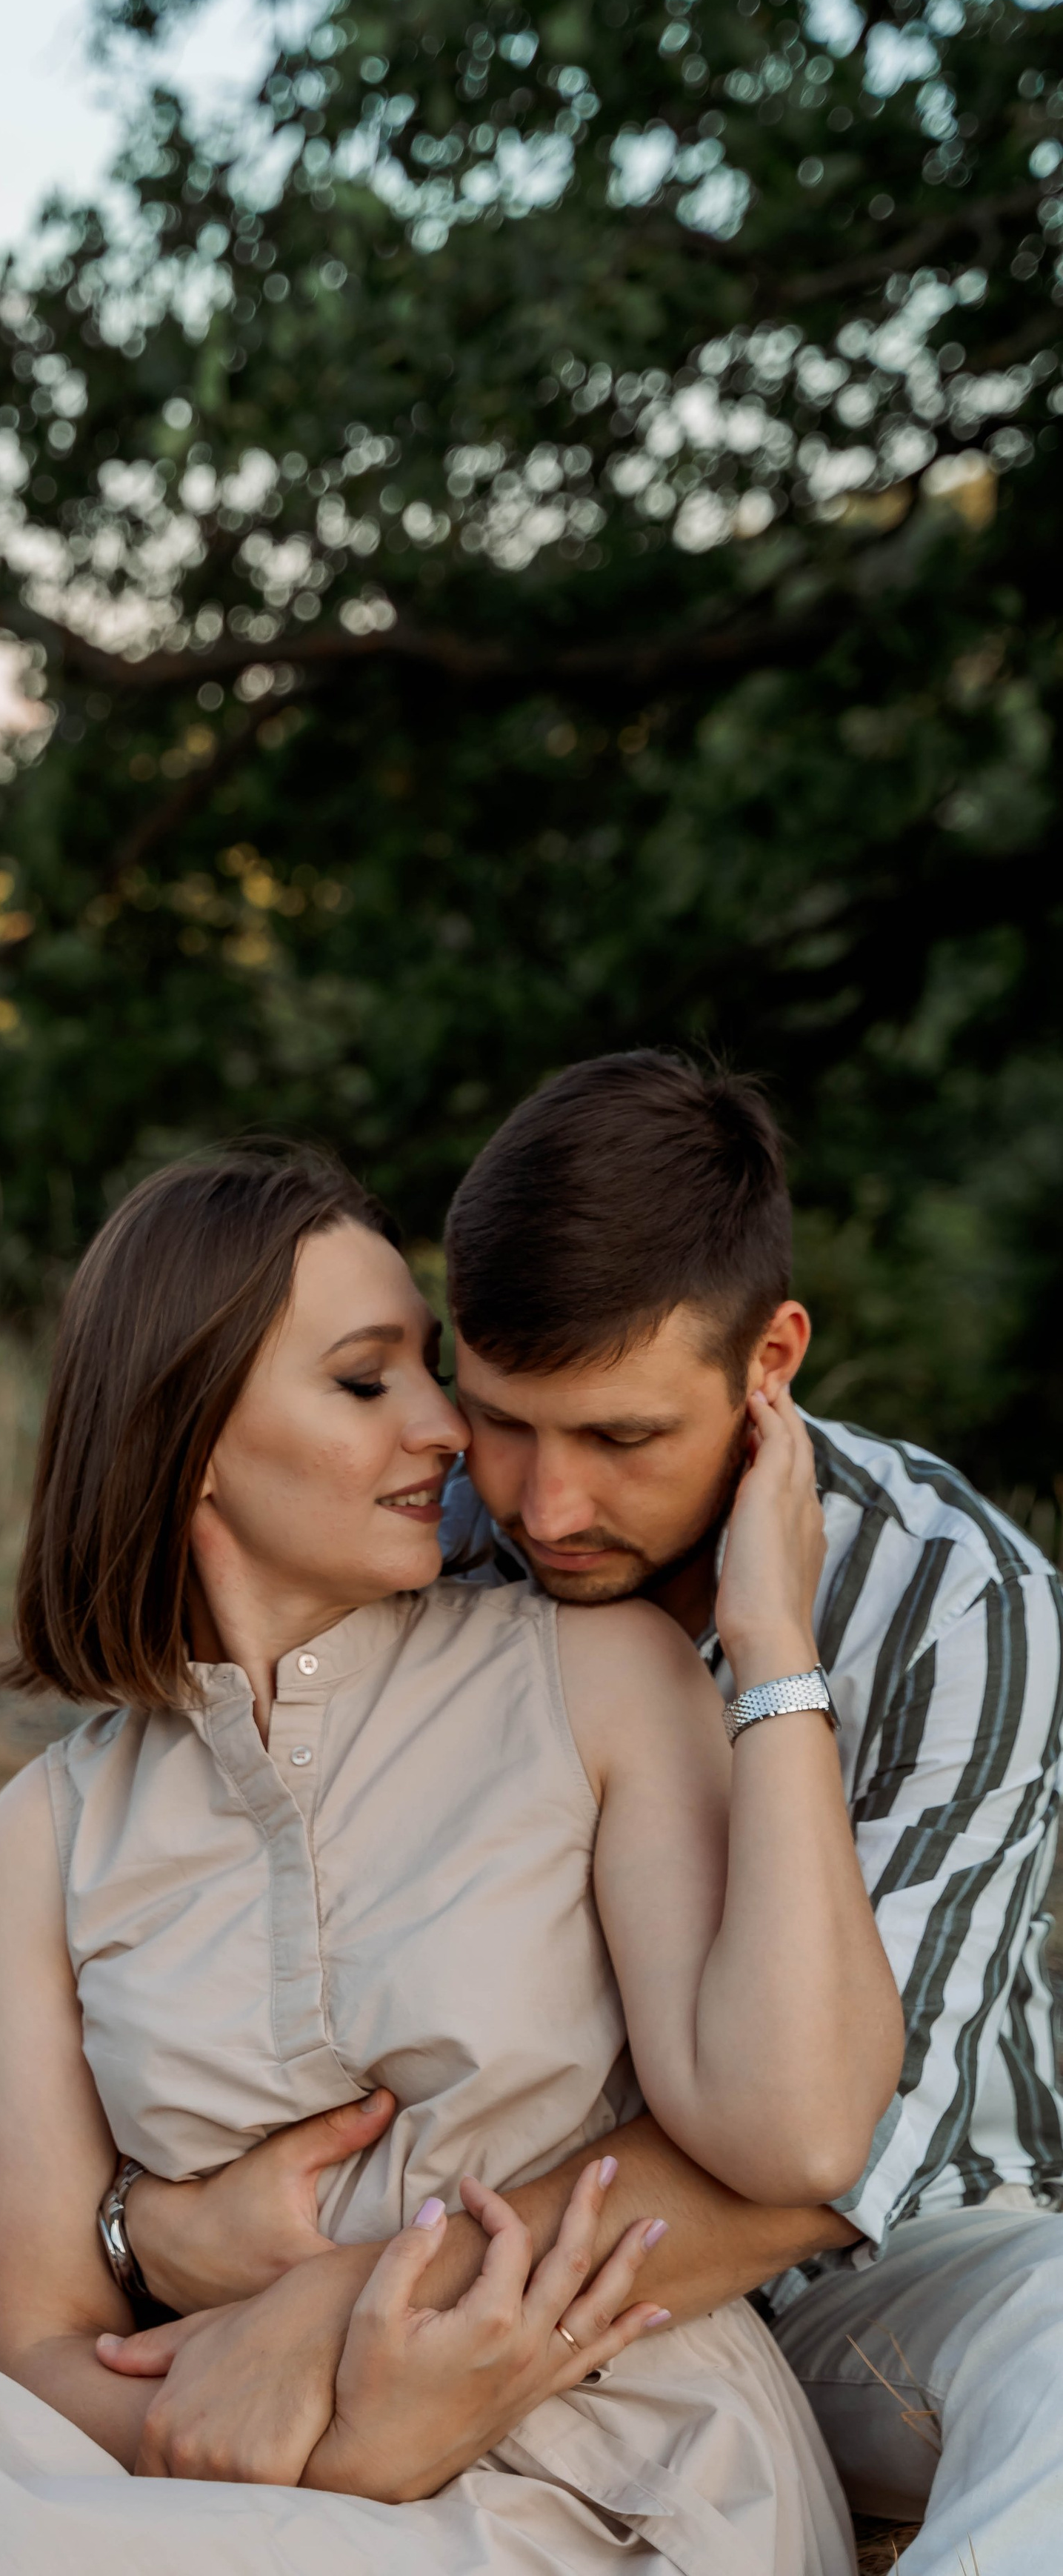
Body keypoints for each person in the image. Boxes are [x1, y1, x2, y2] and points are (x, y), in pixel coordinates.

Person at [0, 1139, 901, 2575]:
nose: (448, 1431)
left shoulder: (598, 1681)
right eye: (365, 1381)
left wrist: (773, 1651)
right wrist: (323, 2454)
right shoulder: (49, 1830)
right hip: (234, 2469)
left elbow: (791, 2135)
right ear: (192, 1436)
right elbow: (39, 2340)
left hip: (607, 2471)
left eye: (426, 1366)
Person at [93, 1058, 1063, 2576]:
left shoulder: (960, 1602)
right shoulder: (427, 1544)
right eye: (498, 1421)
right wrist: (141, 2234)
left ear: (771, 1358)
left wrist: (343, 2294)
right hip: (450, 2250)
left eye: (620, 1439)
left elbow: (828, 2164)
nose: (541, 1511)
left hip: (857, 2280)